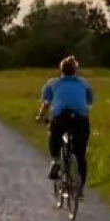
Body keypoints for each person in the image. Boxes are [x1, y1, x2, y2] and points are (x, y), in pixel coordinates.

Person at [34, 56, 93, 191]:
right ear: (75, 70)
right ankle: (80, 187)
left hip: (61, 117)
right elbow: (89, 102)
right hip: (80, 118)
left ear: (61, 70)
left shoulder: (52, 84)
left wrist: (40, 117)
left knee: (54, 136)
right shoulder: (84, 84)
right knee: (80, 154)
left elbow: (46, 103)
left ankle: (56, 160)